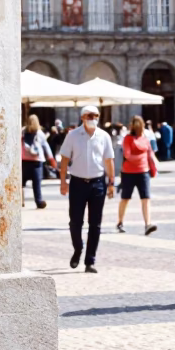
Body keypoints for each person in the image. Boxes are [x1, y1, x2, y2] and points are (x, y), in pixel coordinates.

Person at [59, 104, 115, 273]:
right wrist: (63, 182)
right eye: (90, 115)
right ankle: (78, 248)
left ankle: (90, 260)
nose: (93, 118)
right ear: (82, 117)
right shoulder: (73, 135)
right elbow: (64, 159)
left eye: (96, 115)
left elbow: (109, 160)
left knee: (95, 224)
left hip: (98, 183)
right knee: (75, 221)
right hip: (77, 183)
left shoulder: (104, 136)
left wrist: (111, 183)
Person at [117, 115, 158, 236]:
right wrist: (141, 157)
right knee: (125, 198)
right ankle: (120, 222)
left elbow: (150, 153)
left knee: (146, 198)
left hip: (143, 172)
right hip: (128, 173)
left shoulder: (145, 138)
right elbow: (127, 155)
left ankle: (147, 224)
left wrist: (153, 167)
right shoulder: (128, 138)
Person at [21, 114, 56, 209]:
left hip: (24, 160)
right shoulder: (40, 133)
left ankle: (20, 200)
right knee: (36, 183)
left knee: (21, 183)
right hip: (37, 161)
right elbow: (46, 147)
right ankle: (39, 201)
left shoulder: (22, 132)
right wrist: (51, 159)